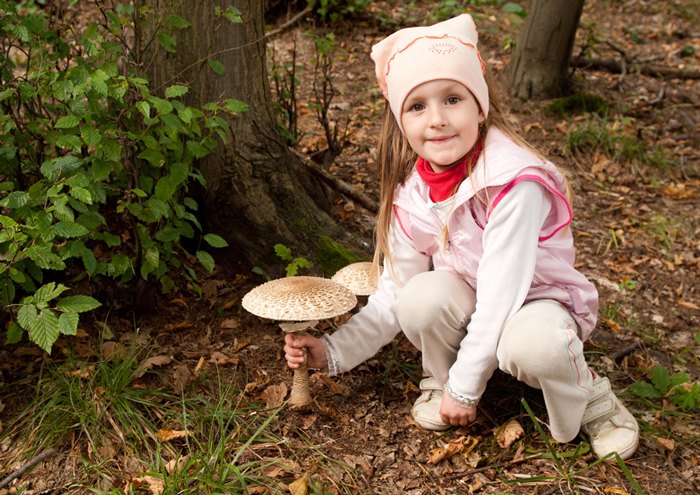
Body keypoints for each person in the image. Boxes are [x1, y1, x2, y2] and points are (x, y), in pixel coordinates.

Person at [283, 13, 639, 461]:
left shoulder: (514, 180)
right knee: (420, 297)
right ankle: (443, 376)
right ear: (401, 121)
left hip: (539, 303)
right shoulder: (412, 191)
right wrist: (333, 352)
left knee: (536, 345)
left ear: (480, 107)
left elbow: (501, 294)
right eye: (417, 106)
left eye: (452, 98)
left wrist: (467, 392)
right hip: (477, 301)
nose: (437, 120)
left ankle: (591, 399)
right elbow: (395, 289)